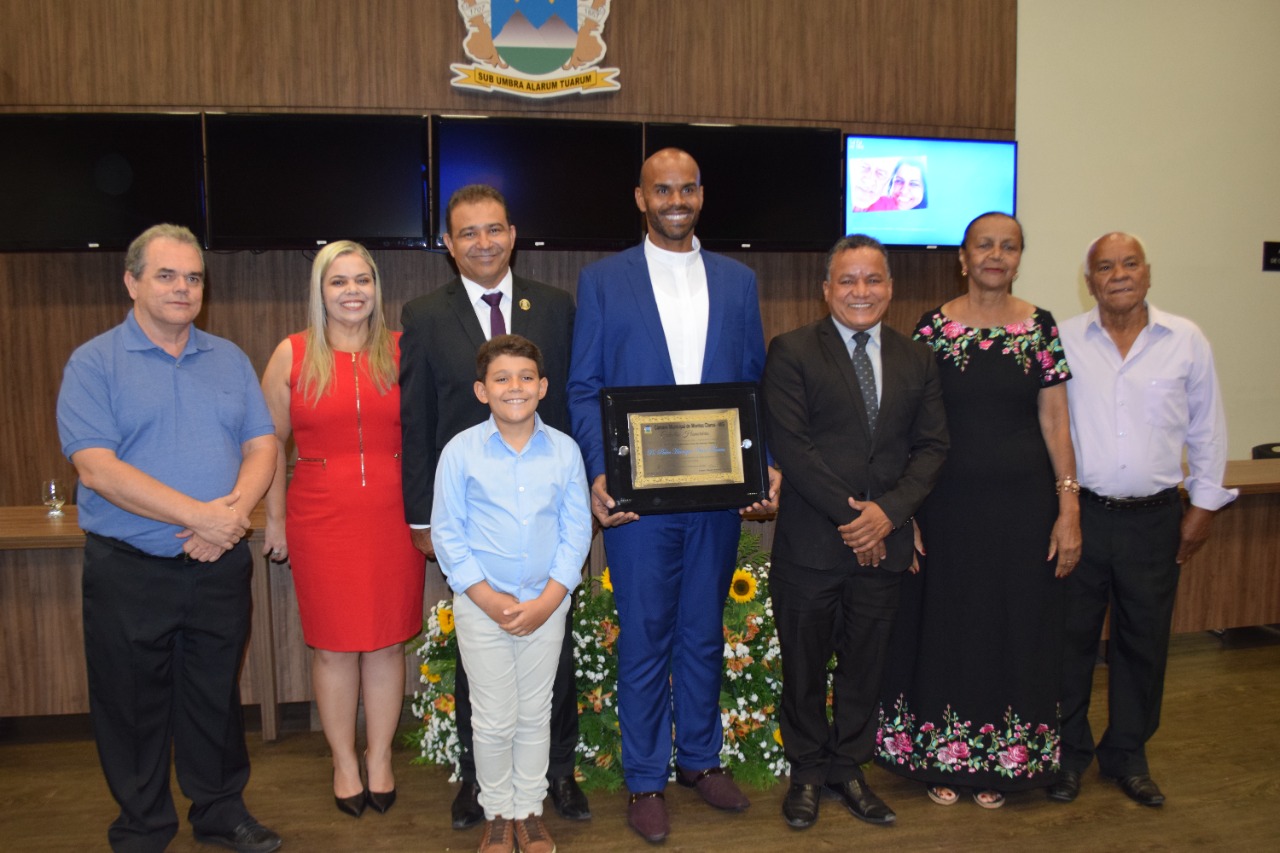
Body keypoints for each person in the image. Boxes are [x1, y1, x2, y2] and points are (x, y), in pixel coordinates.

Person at [567, 147, 780, 844]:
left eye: (687, 187)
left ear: (701, 194)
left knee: (701, 630)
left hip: (717, 493)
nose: (676, 198)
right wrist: (600, 469)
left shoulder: (738, 280)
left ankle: (701, 759)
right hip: (638, 496)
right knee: (646, 636)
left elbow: (753, 382)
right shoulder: (602, 280)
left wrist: (763, 466)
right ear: (641, 197)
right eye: (663, 188)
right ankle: (644, 779)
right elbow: (583, 385)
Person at [55, 224, 282, 853]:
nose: (183, 288)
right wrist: (201, 516)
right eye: (166, 275)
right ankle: (143, 826)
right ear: (131, 283)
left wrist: (229, 516)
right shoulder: (94, 363)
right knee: (131, 707)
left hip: (218, 565)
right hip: (131, 569)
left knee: (214, 696)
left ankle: (219, 810)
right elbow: (97, 468)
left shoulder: (229, 359)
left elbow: (263, 444)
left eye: (193, 277)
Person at [875, 212, 1081, 808]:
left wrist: (1069, 506)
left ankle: (1004, 764)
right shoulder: (933, 328)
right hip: (946, 509)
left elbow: (1056, 420)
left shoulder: (1040, 327)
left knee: (1014, 626)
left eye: (1008, 246)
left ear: (1019, 258)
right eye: (984, 245)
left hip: (1023, 511)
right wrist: (907, 510)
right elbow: (909, 426)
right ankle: (944, 757)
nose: (996, 255)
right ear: (962, 258)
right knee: (950, 626)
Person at [398, 184, 588, 828]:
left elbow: (571, 404)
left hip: (545, 513)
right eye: (468, 233)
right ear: (449, 246)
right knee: (477, 663)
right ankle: (478, 783)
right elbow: (417, 418)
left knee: (552, 659)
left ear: (513, 234)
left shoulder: (557, 306)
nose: (484, 242)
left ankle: (556, 775)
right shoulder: (425, 314)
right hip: (471, 523)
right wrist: (422, 518)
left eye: (495, 229)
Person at [762, 235, 948, 829]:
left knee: (866, 666)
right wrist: (855, 518)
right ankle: (808, 773)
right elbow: (794, 447)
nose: (860, 291)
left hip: (884, 545)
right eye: (848, 280)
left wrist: (887, 515)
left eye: (872, 280)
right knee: (806, 668)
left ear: (890, 289)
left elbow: (932, 446)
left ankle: (848, 767)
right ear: (826, 290)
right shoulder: (791, 351)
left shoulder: (917, 357)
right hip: (813, 546)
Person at [1049, 232, 1237, 807]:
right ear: (1091, 282)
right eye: (1105, 267)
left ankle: (1127, 756)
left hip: (1155, 519)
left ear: (1148, 274)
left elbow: (1207, 427)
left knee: (1143, 644)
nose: (1119, 275)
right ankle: (1068, 756)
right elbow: (1048, 426)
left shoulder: (1186, 340)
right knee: (1069, 643)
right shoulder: (1063, 340)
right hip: (1083, 517)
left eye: (1130, 264)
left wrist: (1204, 505)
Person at [260, 241, 425, 818]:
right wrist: (274, 518)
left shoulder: (405, 352)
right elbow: (266, 446)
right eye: (339, 282)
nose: (352, 291)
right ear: (320, 292)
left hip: (391, 516)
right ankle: (343, 761)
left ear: (377, 289)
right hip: (319, 518)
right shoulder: (292, 354)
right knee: (332, 648)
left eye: (363, 280)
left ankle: (379, 756)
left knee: (384, 643)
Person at [433, 334, 592, 853]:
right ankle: (497, 811)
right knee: (493, 715)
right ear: (482, 391)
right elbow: (448, 533)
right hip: (484, 609)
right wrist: (485, 596)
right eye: (501, 378)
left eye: (526, 377)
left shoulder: (565, 452)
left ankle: (529, 809)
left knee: (535, 713)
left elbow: (576, 533)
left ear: (543, 387)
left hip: (545, 606)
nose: (514, 387)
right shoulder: (460, 452)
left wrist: (549, 599)